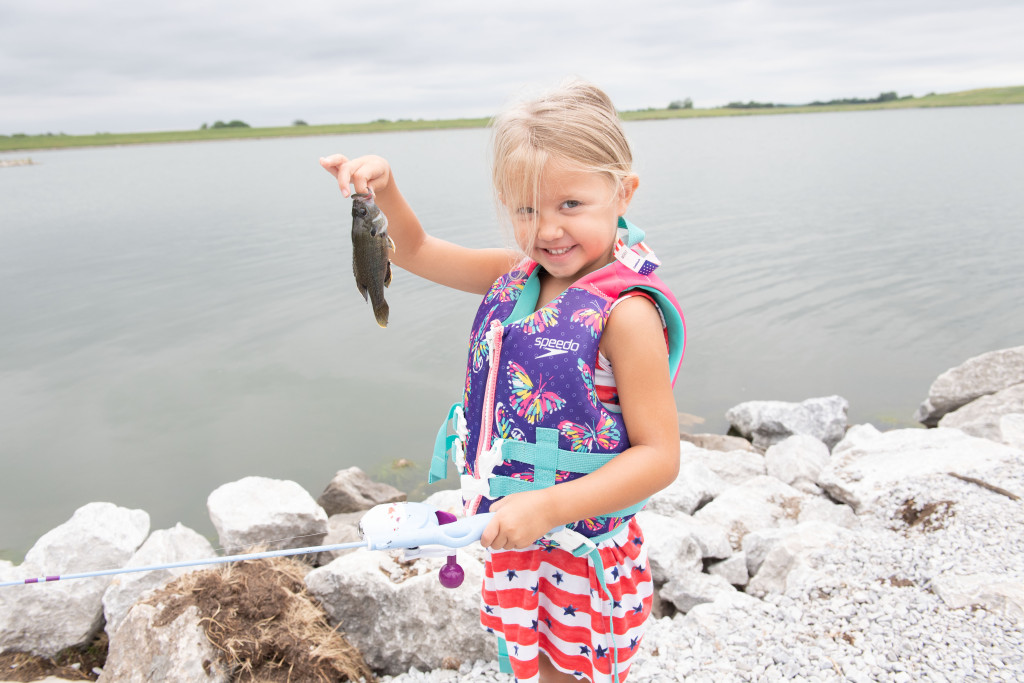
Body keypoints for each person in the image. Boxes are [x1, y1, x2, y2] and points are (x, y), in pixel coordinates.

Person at [320, 79, 685, 683]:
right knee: (530, 666)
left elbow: (660, 456)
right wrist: (384, 189)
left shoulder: (628, 315)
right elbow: (412, 250)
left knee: (575, 673)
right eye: (526, 209)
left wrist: (550, 507)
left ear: (622, 193)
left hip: (579, 549)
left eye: (571, 205)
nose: (547, 230)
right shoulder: (512, 277)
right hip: (515, 536)